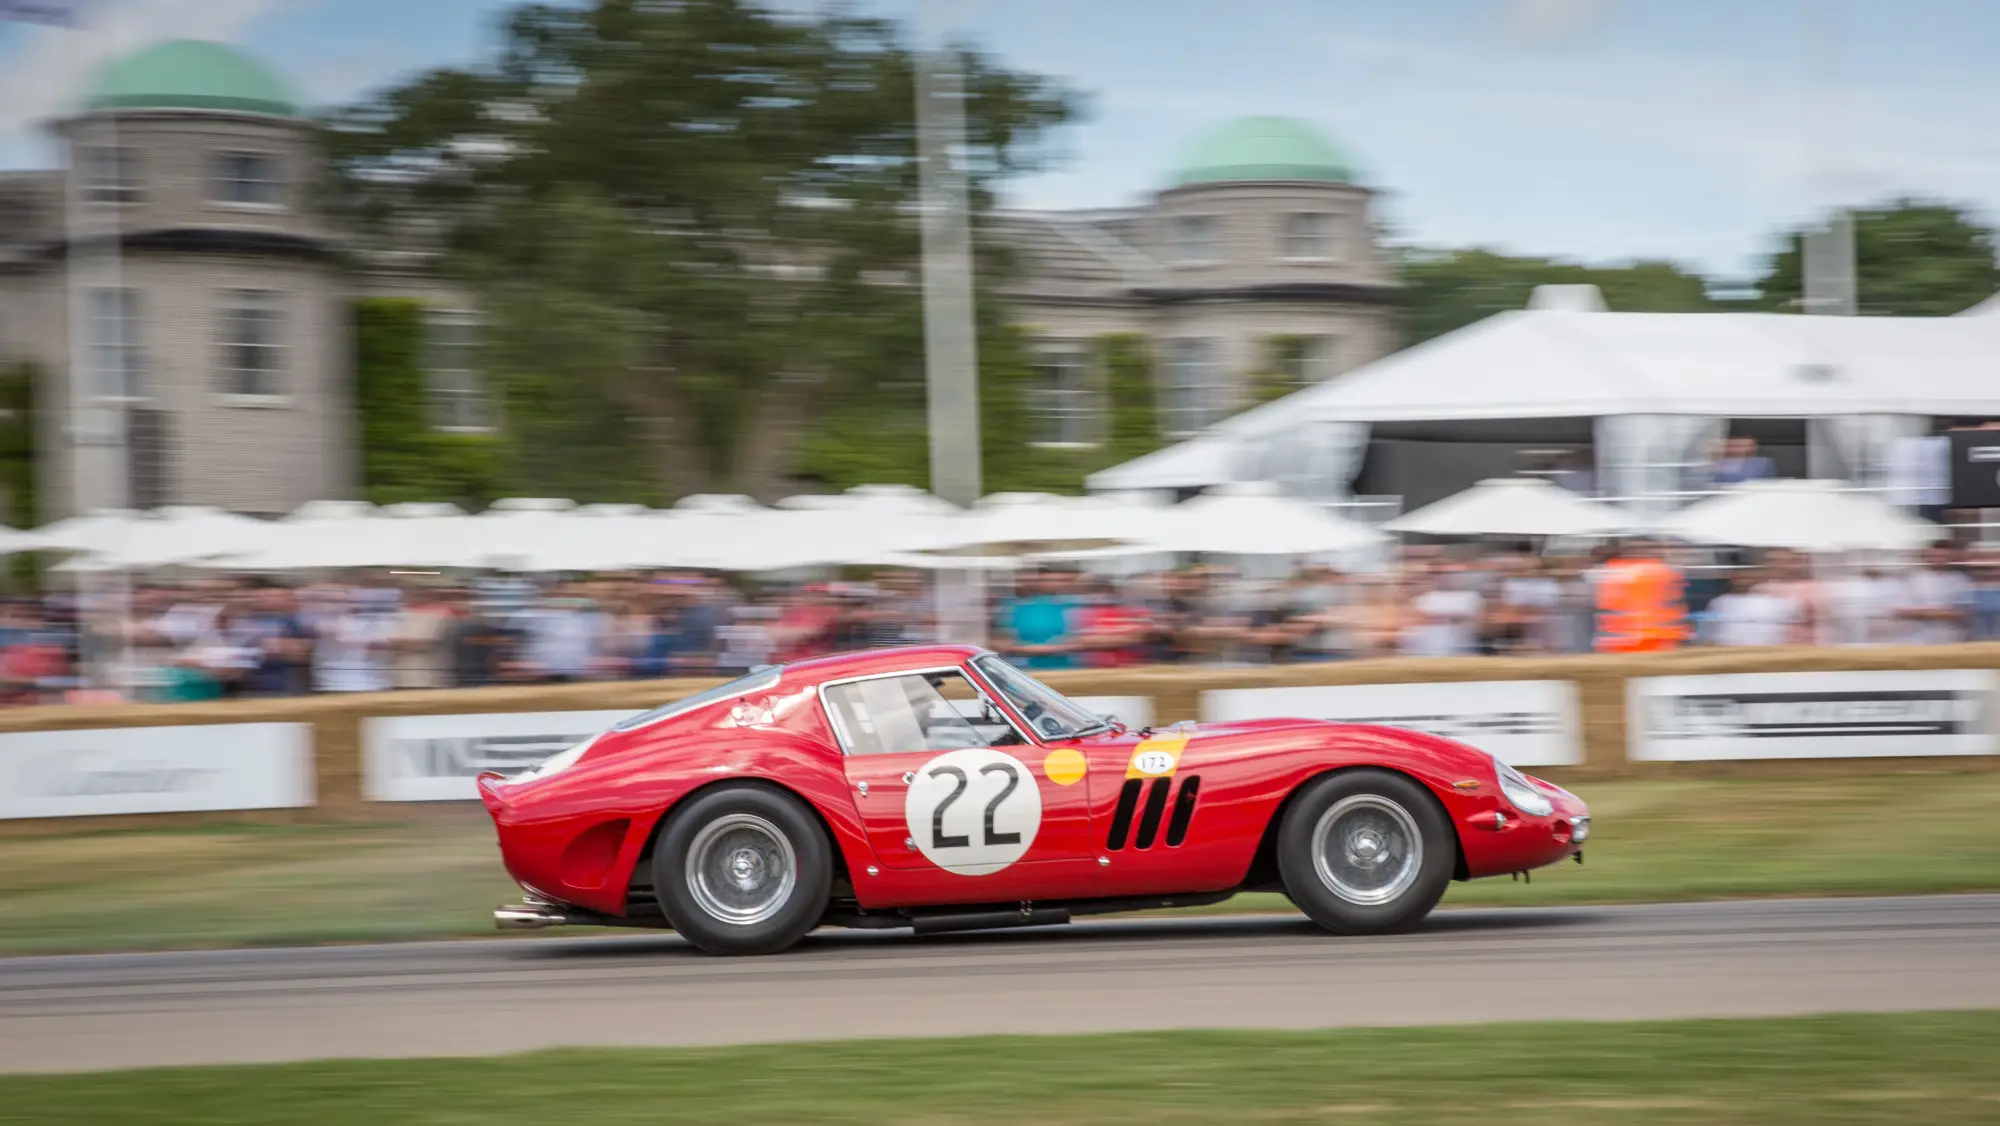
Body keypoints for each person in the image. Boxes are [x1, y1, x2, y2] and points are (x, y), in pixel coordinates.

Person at [1594, 538, 1689, 653]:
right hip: (1627, 638)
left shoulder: (1667, 572)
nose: (1644, 552)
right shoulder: (1614, 570)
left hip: (1657, 636)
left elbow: (1675, 605)